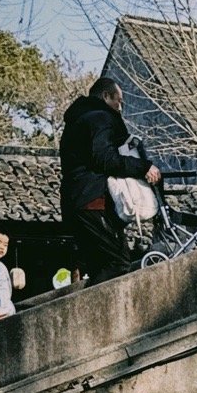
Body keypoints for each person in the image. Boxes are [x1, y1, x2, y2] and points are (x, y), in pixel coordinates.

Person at [59, 77, 161, 284]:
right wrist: (143, 167)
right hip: (94, 200)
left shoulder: (77, 119)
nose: (120, 107)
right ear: (106, 96)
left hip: (74, 200)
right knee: (117, 263)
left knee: (99, 265)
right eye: (118, 100)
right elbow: (105, 158)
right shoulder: (101, 118)